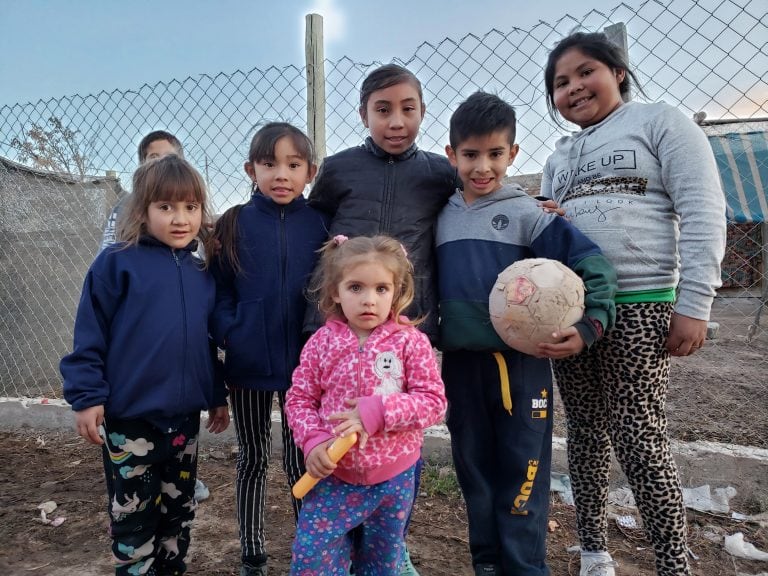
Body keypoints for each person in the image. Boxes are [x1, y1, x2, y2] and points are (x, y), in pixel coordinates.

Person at [541, 31, 727, 576]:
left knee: (638, 434)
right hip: (575, 310)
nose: (574, 87)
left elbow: (701, 207)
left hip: (643, 303)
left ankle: (673, 563)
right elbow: (560, 233)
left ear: (617, 71)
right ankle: (594, 553)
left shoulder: (661, 122)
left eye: (585, 72)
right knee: (584, 433)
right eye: (560, 82)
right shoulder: (559, 156)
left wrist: (695, 302)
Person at [436, 91, 618, 576]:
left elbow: (591, 263)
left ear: (512, 155)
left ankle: (525, 567)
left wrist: (589, 324)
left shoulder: (528, 215)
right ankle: (488, 564)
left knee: (522, 472)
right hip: (460, 365)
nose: (482, 166)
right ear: (452, 155)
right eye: (471, 155)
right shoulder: (441, 214)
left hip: (522, 366)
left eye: (495, 154)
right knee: (473, 471)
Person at [305, 63, 456, 575]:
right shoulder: (340, 168)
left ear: (422, 112)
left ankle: (388, 545)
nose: (396, 121)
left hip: (403, 330)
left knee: (394, 444)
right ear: (364, 114)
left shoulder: (439, 172)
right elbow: (317, 228)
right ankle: (332, 540)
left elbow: (480, 197)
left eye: (407, 109)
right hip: (335, 329)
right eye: (383, 110)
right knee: (325, 433)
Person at [60, 154, 230, 576]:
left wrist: (217, 397)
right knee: (134, 516)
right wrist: (86, 398)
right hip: (130, 418)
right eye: (166, 207)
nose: (180, 218)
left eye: (190, 207)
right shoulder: (116, 264)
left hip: (184, 419)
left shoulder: (201, 272)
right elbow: (89, 334)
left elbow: (205, 343)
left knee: (179, 511)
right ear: (143, 210)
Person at [285, 235, 447, 575]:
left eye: (381, 289)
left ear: (396, 291)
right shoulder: (321, 343)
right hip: (333, 476)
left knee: (380, 564)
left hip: (393, 480)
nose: (368, 300)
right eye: (356, 288)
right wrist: (313, 440)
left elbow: (433, 403)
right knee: (312, 560)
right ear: (335, 292)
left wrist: (378, 411)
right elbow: (299, 398)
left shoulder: (410, 342)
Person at [210, 122, 329, 576]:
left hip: (307, 368)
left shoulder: (319, 222)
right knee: (253, 457)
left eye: (293, 165)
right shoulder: (235, 222)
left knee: (304, 456)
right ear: (251, 169)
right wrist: (230, 331)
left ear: (310, 171)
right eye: (269, 164)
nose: (281, 174)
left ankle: (310, 546)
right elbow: (219, 289)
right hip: (249, 364)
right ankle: (252, 551)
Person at [100, 130, 184, 251]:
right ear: (142, 164)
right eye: (154, 157)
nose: (162, 162)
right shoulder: (126, 205)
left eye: (169, 157)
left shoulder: (191, 198)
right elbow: (107, 250)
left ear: (182, 162)